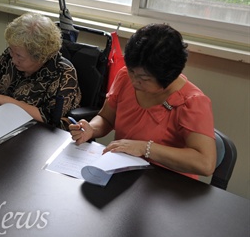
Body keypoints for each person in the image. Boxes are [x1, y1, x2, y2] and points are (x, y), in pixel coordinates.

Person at [69, 23, 216, 178]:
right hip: (124, 173)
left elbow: (205, 164)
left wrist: (146, 148)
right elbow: (106, 118)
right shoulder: (125, 77)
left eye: (143, 78)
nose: (134, 81)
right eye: (132, 71)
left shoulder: (191, 102)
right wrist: (91, 129)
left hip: (168, 186)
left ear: (168, 76)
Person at [0, 13, 81, 130]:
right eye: (11, 51)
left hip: (35, 135)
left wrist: (2, 100)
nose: (13, 59)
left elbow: (48, 117)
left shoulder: (63, 73)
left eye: (19, 56)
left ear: (40, 57)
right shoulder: (14, 53)